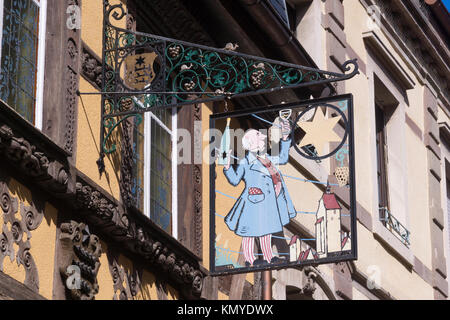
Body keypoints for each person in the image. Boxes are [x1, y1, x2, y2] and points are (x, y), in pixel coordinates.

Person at [223, 120, 296, 267]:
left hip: (269, 202)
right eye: (258, 136)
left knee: (267, 230)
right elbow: (235, 180)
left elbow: (283, 158)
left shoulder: (268, 159)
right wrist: (227, 166)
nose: (262, 138)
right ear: (251, 143)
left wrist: (285, 138)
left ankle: (269, 257)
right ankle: (249, 259)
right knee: (249, 232)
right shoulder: (245, 162)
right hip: (252, 201)